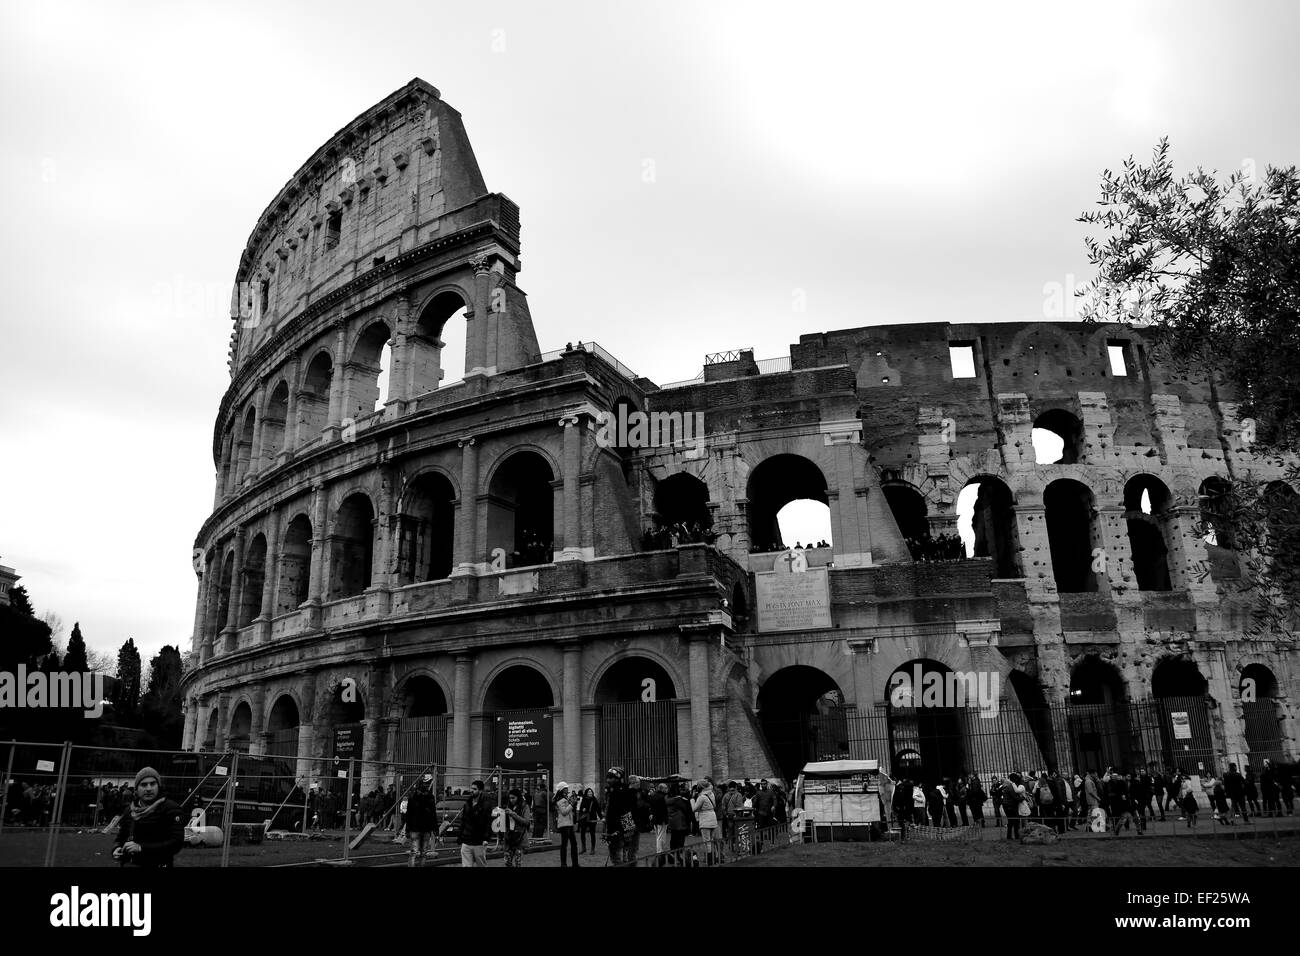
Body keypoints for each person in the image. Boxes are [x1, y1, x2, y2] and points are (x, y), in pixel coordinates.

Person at [112, 767, 185, 868]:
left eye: (153, 784)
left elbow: (176, 843)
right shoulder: (129, 810)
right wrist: (117, 848)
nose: (149, 788)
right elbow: (121, 837)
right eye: (144, 784)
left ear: (159, 786)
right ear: (136, 789)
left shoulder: (171, 809)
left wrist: (141, 848)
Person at [404, 773, 438, 867]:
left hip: (419, 828)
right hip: (421, 828)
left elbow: (409, 815)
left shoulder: (416, 797)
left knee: (417, 852)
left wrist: (408, 829)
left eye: (427, 784)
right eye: (426, 784)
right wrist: (435, 829)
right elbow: (409, 815)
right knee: (420, 852)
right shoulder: (427, 797)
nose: (427, 786)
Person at [456, 779, 493, 867]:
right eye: (471, 788)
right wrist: (460, 836)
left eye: (475, 789)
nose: (472, 790)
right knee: (466, 865)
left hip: (479, 841)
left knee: (481, 864)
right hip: (466, 840)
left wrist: (486, 838)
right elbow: (463, 821)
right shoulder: (467, 803)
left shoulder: (486, 804)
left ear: (480, 791)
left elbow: (488, 823)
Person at [665, 782, 694, 864]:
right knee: (680, 841)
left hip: (672, 822)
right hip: (680, 822)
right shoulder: (678, 800)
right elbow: (686, 809)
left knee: (673, 840)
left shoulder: (667, 798)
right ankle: (679, 857)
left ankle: (672, 856)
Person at [502, 788, 531, 867]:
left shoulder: (525, 807)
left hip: (519, 838)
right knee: (507, 862)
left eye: (513, 798)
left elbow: (526, 821)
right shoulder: (508, 806)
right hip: (509, 838)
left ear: (518, 797)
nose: (511, 800)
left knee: (518, 862)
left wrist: (513, 814)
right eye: (510, 798)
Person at [692, 779, 719, 864]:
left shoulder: (702, 797)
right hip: (713, 817)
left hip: (705, 819)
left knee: (706, 841)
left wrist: (692, 800)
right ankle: (715, 858)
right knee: (711, 840)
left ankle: (710, 859)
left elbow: (694, 809)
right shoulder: (711, 794)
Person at [553, 782, 579, 868]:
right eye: (565, 788)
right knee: (564, 845)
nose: (567, 790)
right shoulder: (560, 800)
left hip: (569, 824)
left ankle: (575, 863)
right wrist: (572, 804)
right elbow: (564, 812)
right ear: (561, 789)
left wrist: (572, 804)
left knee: (573, 844)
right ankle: (563, 864)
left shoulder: (564, 798)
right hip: (564, 825)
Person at [649, 782, 670, 858]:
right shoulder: (662, 797)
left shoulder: (653, 795)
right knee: (661, 836)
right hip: (661, 819)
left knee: (659, 835)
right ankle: (660, 852)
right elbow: (663, 810)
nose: (667, 789)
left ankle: (661, 850)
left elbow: (652, 807)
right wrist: (665, 819)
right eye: (666, 788)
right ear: (662, 789)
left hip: (655, 818)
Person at [1002, 774, 1026, 841]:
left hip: (1007, 805)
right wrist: (1023, 798)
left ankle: (1009, 836)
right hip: (1011, 806)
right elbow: (1015, 797)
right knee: (1016, 821)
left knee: (1010, 822)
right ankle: (1016, 836)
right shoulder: (1011, 786)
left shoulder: (1007, 786)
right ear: (1015, 779)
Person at [577, 786, 601, 854]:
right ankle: (583, 848)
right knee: (582, 833)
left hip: (592, 818)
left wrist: (601, 817)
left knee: (592, 833)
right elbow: (581, 808)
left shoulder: (594, 800)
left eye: (591, 792)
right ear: (586, 793)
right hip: (584, 818)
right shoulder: (584, 799)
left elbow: (598, 809)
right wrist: (583, 809)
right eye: (589, 792)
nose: (590, 793)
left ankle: (592, 849)